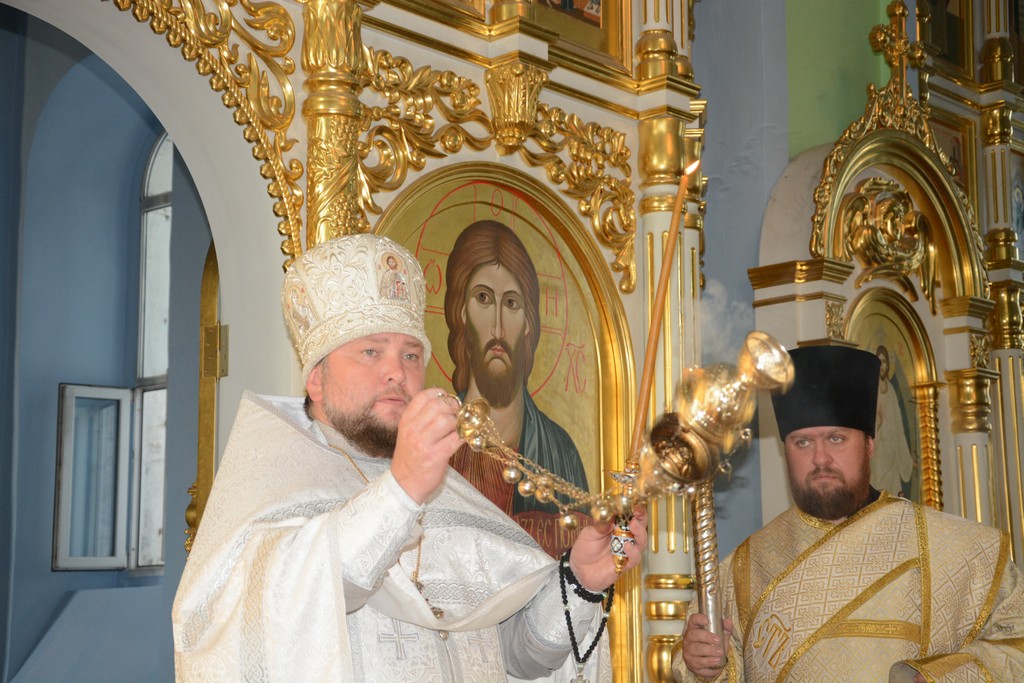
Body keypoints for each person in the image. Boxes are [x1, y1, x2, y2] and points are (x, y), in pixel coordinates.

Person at [171, 233, 647, 682]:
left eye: (412, 355)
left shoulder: (454, 493)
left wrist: (581, 582)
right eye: (370, 351)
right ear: (316, 378)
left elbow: (522, 657)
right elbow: (296, 600)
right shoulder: (275, 487)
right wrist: (401, 490)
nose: (396, 372)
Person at [674, 345, 1024, 682]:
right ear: (786, 451)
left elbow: (1017, 644)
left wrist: (935, 678)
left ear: (869, 444)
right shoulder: (746, 569)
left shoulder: (960, 550)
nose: (820, 458)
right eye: (803, 442)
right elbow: (713, 667)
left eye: (836, 439)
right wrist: (702, 666)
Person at [444, 220, 589, 555]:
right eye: (483, 298)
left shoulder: (561, 452)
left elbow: (584, 569)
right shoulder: (438, 443)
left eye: (511, 303)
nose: (498, 327)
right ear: (462, 312)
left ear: (527, 323)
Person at [870, 344, 916, 497]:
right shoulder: (871, 391)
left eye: (883, 362)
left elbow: (899, 427)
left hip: (892, 454)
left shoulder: (891, 392)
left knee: (893, 497)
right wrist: (877, 423)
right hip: (877, 454)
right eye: (878, 362)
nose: (881, 366)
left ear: (888, 365)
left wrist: (907, 460)